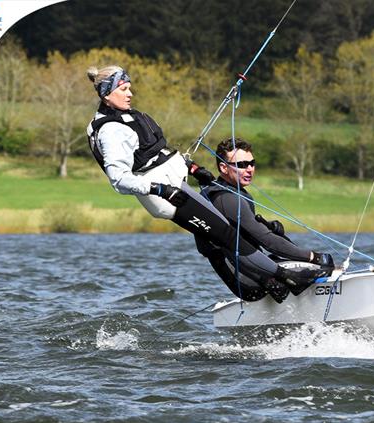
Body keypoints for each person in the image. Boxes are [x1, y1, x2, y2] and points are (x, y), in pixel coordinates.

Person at [85, 65, 315, 301]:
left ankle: (267, 282)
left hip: (175, 186)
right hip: (166, 196)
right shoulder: (111, 130)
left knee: (226, 234)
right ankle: (286, 277)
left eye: (129, 88)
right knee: (227, 236)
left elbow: (154, 154)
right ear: (106, 94)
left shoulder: (125, 118)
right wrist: (161, 190)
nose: (130, 93)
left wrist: (193, 169)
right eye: (123, 89)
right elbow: (119, 180)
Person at [195, 137, 335, 300]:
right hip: (248, 281)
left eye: (252, 163)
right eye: (242, 165)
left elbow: (248, 232)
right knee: (321, 265)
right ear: (223, 168)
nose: (249, 169)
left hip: (253, 272)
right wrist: (313, 256)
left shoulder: (231, 192)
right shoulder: (226, 199)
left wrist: (269, 227)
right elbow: (267, 241)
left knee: (306, 264)